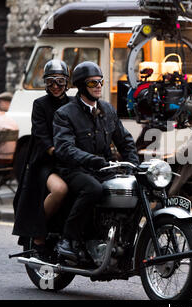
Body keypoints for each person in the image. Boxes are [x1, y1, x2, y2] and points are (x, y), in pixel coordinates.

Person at [53, 61, 139, 260]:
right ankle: (67, 240)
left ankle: (122, 237)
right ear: (82, 86)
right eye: (93, 83)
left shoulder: (107, 110)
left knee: (136, 185)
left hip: (103, 168)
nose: (99, 86)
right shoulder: (65, 114)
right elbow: (65, 148)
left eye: (100, 81)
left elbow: (125, 140)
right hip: (75, 170)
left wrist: (133, 165)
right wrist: (92, 160)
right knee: (93, 189)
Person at [12, 59, 72, 254]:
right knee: (60, 190)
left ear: (67, 82)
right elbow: (41, 135)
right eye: (50, 81)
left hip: (72, 161)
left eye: (60, 81)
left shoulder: (74, 104)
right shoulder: (40, 104)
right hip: (46, 162)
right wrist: (55, 151)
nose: (55, 86)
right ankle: (38, 234)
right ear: (45, 83)